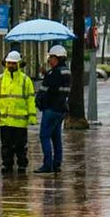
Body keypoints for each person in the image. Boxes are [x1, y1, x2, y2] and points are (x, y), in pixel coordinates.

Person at [0, 50, 36, 174]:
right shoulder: (0, 79)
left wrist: (32, 117)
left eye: (13, 63)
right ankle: (7, 165)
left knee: (21, 146)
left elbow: (30, 99)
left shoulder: (25, 80)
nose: (10, 65)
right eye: (9, 63)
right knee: (6, 146)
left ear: (18, 64)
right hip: (4, 120)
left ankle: (22, 165)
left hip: (20, 121)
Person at [34, 45, 70, 174]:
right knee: (56, 137)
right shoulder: (66, 71)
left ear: (59, 58)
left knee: (44, 136)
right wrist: (47, 74)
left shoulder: (54, 73)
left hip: (51, 109)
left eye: (52, 57)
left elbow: (49, 91)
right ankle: (57, 164)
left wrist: (40, 102)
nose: (50, 60)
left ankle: (47, 165)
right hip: (61, 109)